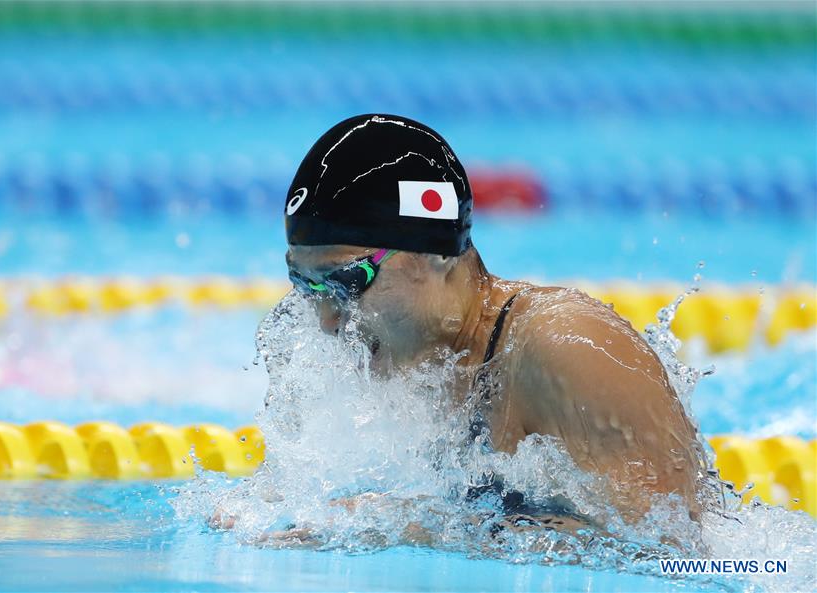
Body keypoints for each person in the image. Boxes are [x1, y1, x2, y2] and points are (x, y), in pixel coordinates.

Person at [216, 113, 708, 540]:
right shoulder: (419, 354)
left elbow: (666, 547)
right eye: (305, 283)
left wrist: (421, 527)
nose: (327, 320)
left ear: (435, 255)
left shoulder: (564, 347)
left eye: (349, 280)